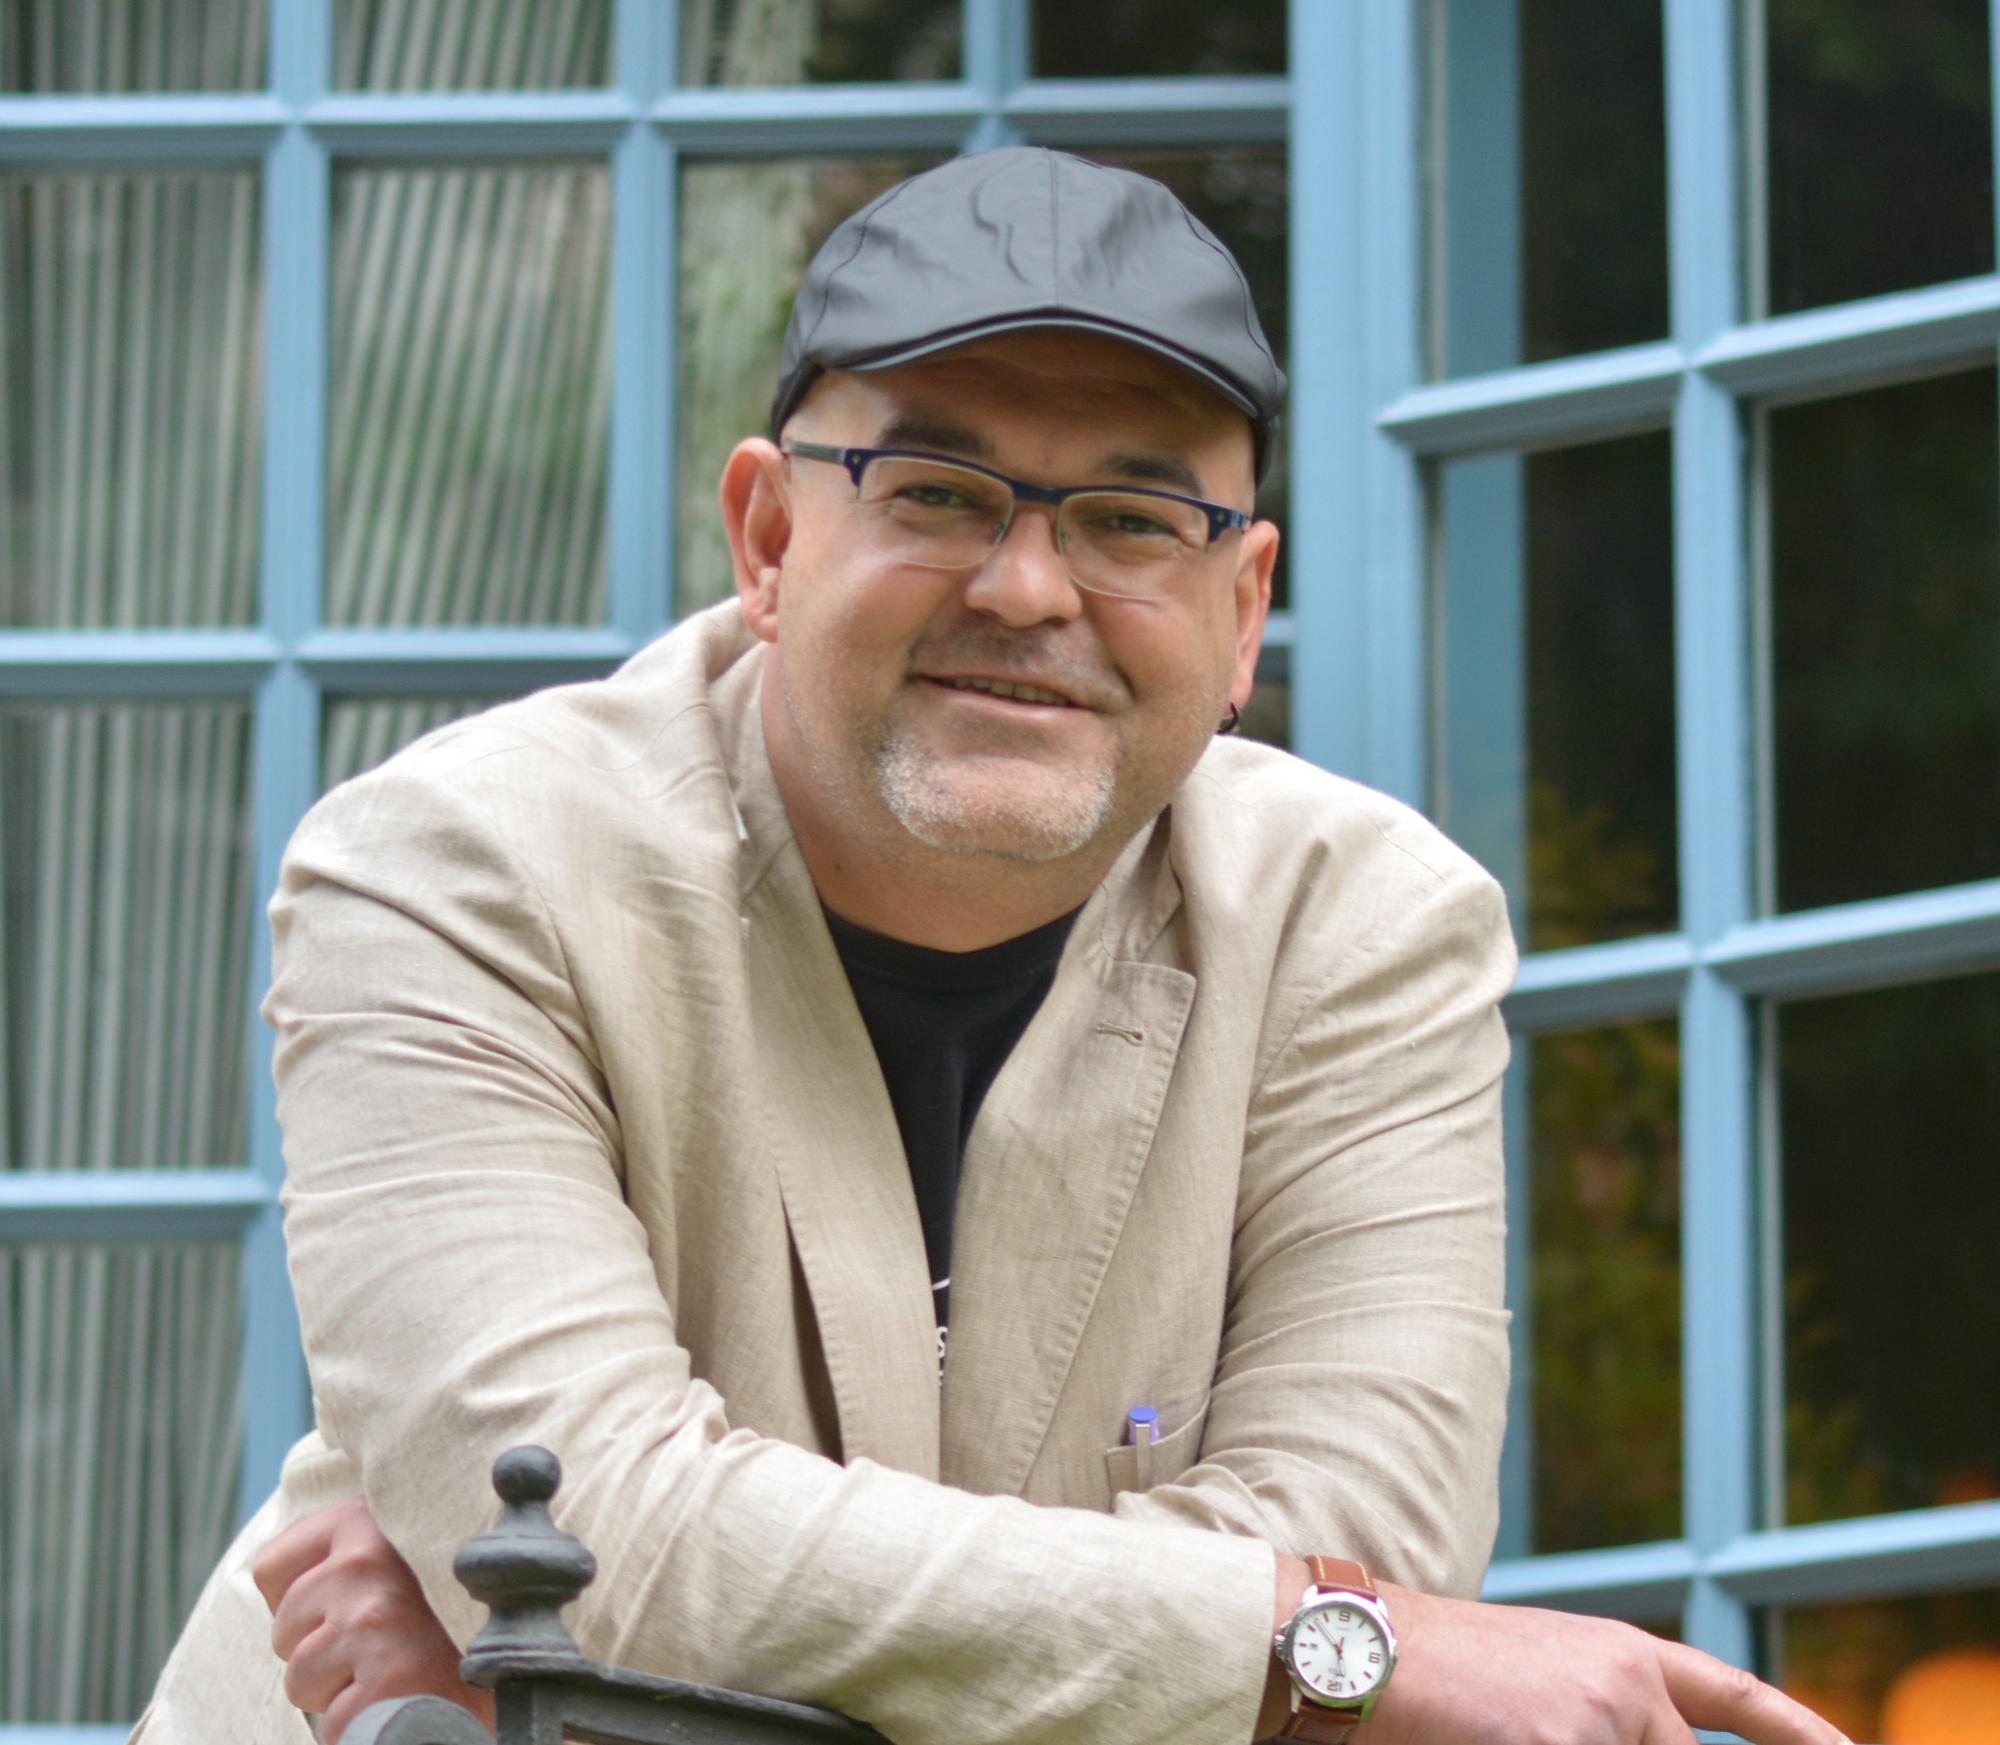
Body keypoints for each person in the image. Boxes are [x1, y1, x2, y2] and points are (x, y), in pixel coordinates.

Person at [132, 148, 1844, 1745]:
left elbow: (1365, 1559)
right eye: (939, 491)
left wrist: (642, 1684)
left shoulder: (1371, 928)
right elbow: (600, 1541)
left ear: (1243, 610)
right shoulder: (457, 867)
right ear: (771, 540)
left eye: (1131, 520)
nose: (1028, 588)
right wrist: (1290, 1641)